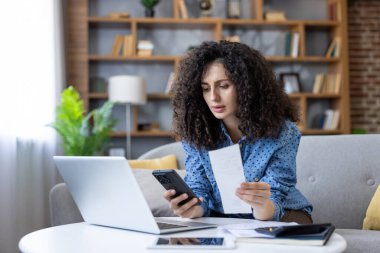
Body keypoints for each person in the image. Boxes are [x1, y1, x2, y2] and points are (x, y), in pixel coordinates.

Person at [164, 40, 313, 224]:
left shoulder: (283, 132)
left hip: (280, 215)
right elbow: (199, 187)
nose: (213, 97)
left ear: (246, 86)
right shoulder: (197, 131)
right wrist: (191, 208)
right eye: (205, 88)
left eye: (224, 86)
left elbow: (276, 191)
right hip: (223, 220)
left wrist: (261, 205)